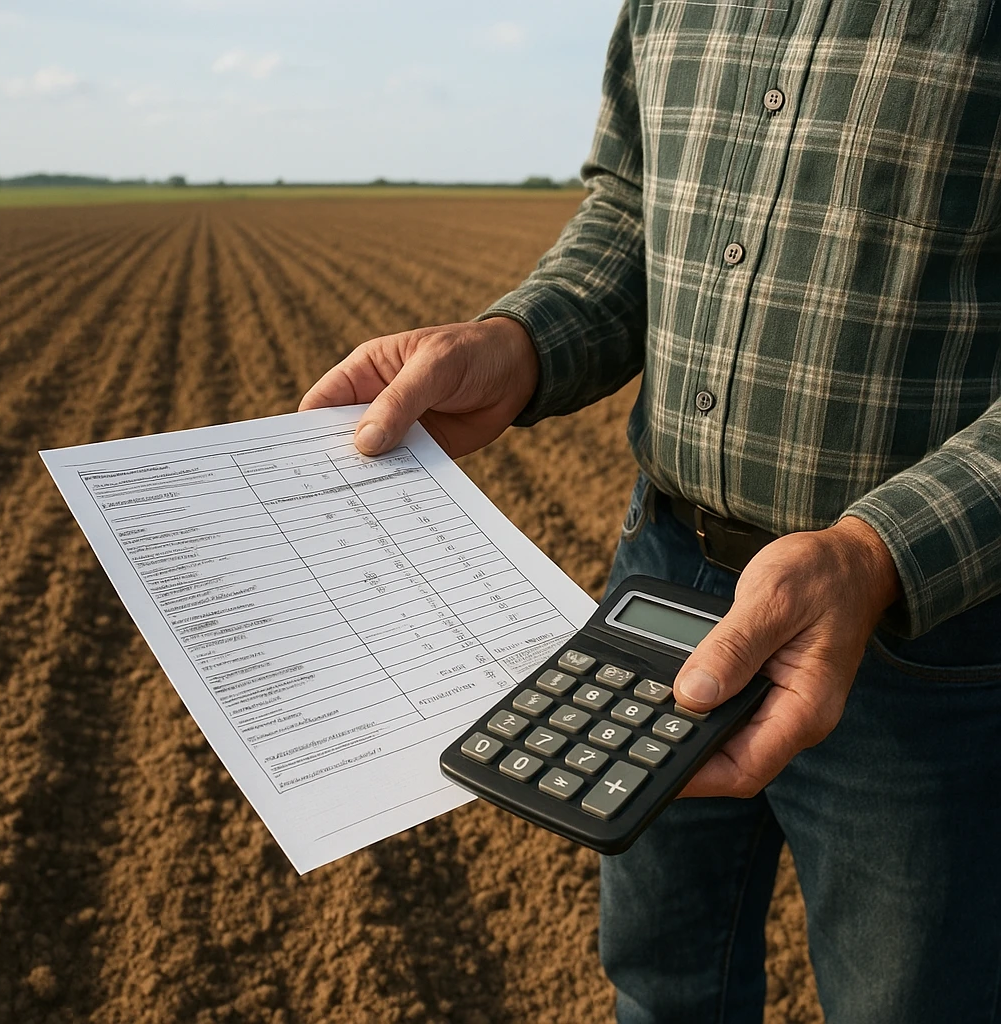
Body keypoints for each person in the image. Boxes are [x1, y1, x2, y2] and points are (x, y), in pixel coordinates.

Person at [301, 2, 1001, 1021]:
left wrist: (875, 551)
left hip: (920, 629)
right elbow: (634, 206)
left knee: (914, 1000)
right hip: (665, 577)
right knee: (662, 981)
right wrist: (522, 340)